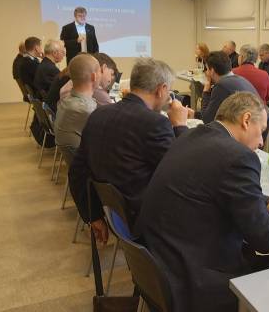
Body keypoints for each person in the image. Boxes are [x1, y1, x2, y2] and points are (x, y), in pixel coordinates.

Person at [136, 92, 269, 312]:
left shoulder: (192, 136)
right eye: (262, 131)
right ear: (246, 120)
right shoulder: (238, 157)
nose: (262, 142)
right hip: (197, 282)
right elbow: (266, 237)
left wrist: (266, 203)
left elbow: (213, 187)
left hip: (162, 267)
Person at [68, 58, 191, 241]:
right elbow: (182, 174)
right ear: (161, 89)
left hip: (115, 216)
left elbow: (77, 171)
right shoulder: (155, 124)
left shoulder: (98, 114)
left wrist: (93, 216)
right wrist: (180, 127)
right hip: (148, 223)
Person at [54, 54, 100, 149]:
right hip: (87, 156)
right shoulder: (86, 110)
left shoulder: (65, 101)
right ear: (94, 76)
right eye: (100, 71)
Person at [201, 51, 257, 124]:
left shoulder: (222, 86)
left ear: (212, 71)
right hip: (256, 122)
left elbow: (207, 119)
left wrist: (206, 91)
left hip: (251, 125)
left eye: (207, 69)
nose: (206, 73)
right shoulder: (240, 79)